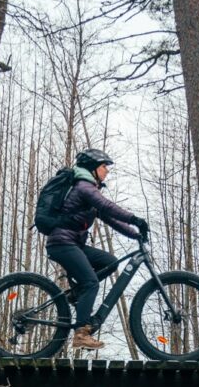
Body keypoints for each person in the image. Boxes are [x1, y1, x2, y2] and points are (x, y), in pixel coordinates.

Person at [47, 148, 149, 350]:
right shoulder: (84, 187)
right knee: (91, 283)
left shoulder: (88, 191)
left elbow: (110, 218)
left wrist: (135, 234)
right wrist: (135, 219)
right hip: (62, 243)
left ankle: (76, 293)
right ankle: (81, 334)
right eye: (104, 167)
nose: (107, 171)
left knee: (109, 262)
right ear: (93, 168)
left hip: (73, 244)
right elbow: (108, 206)